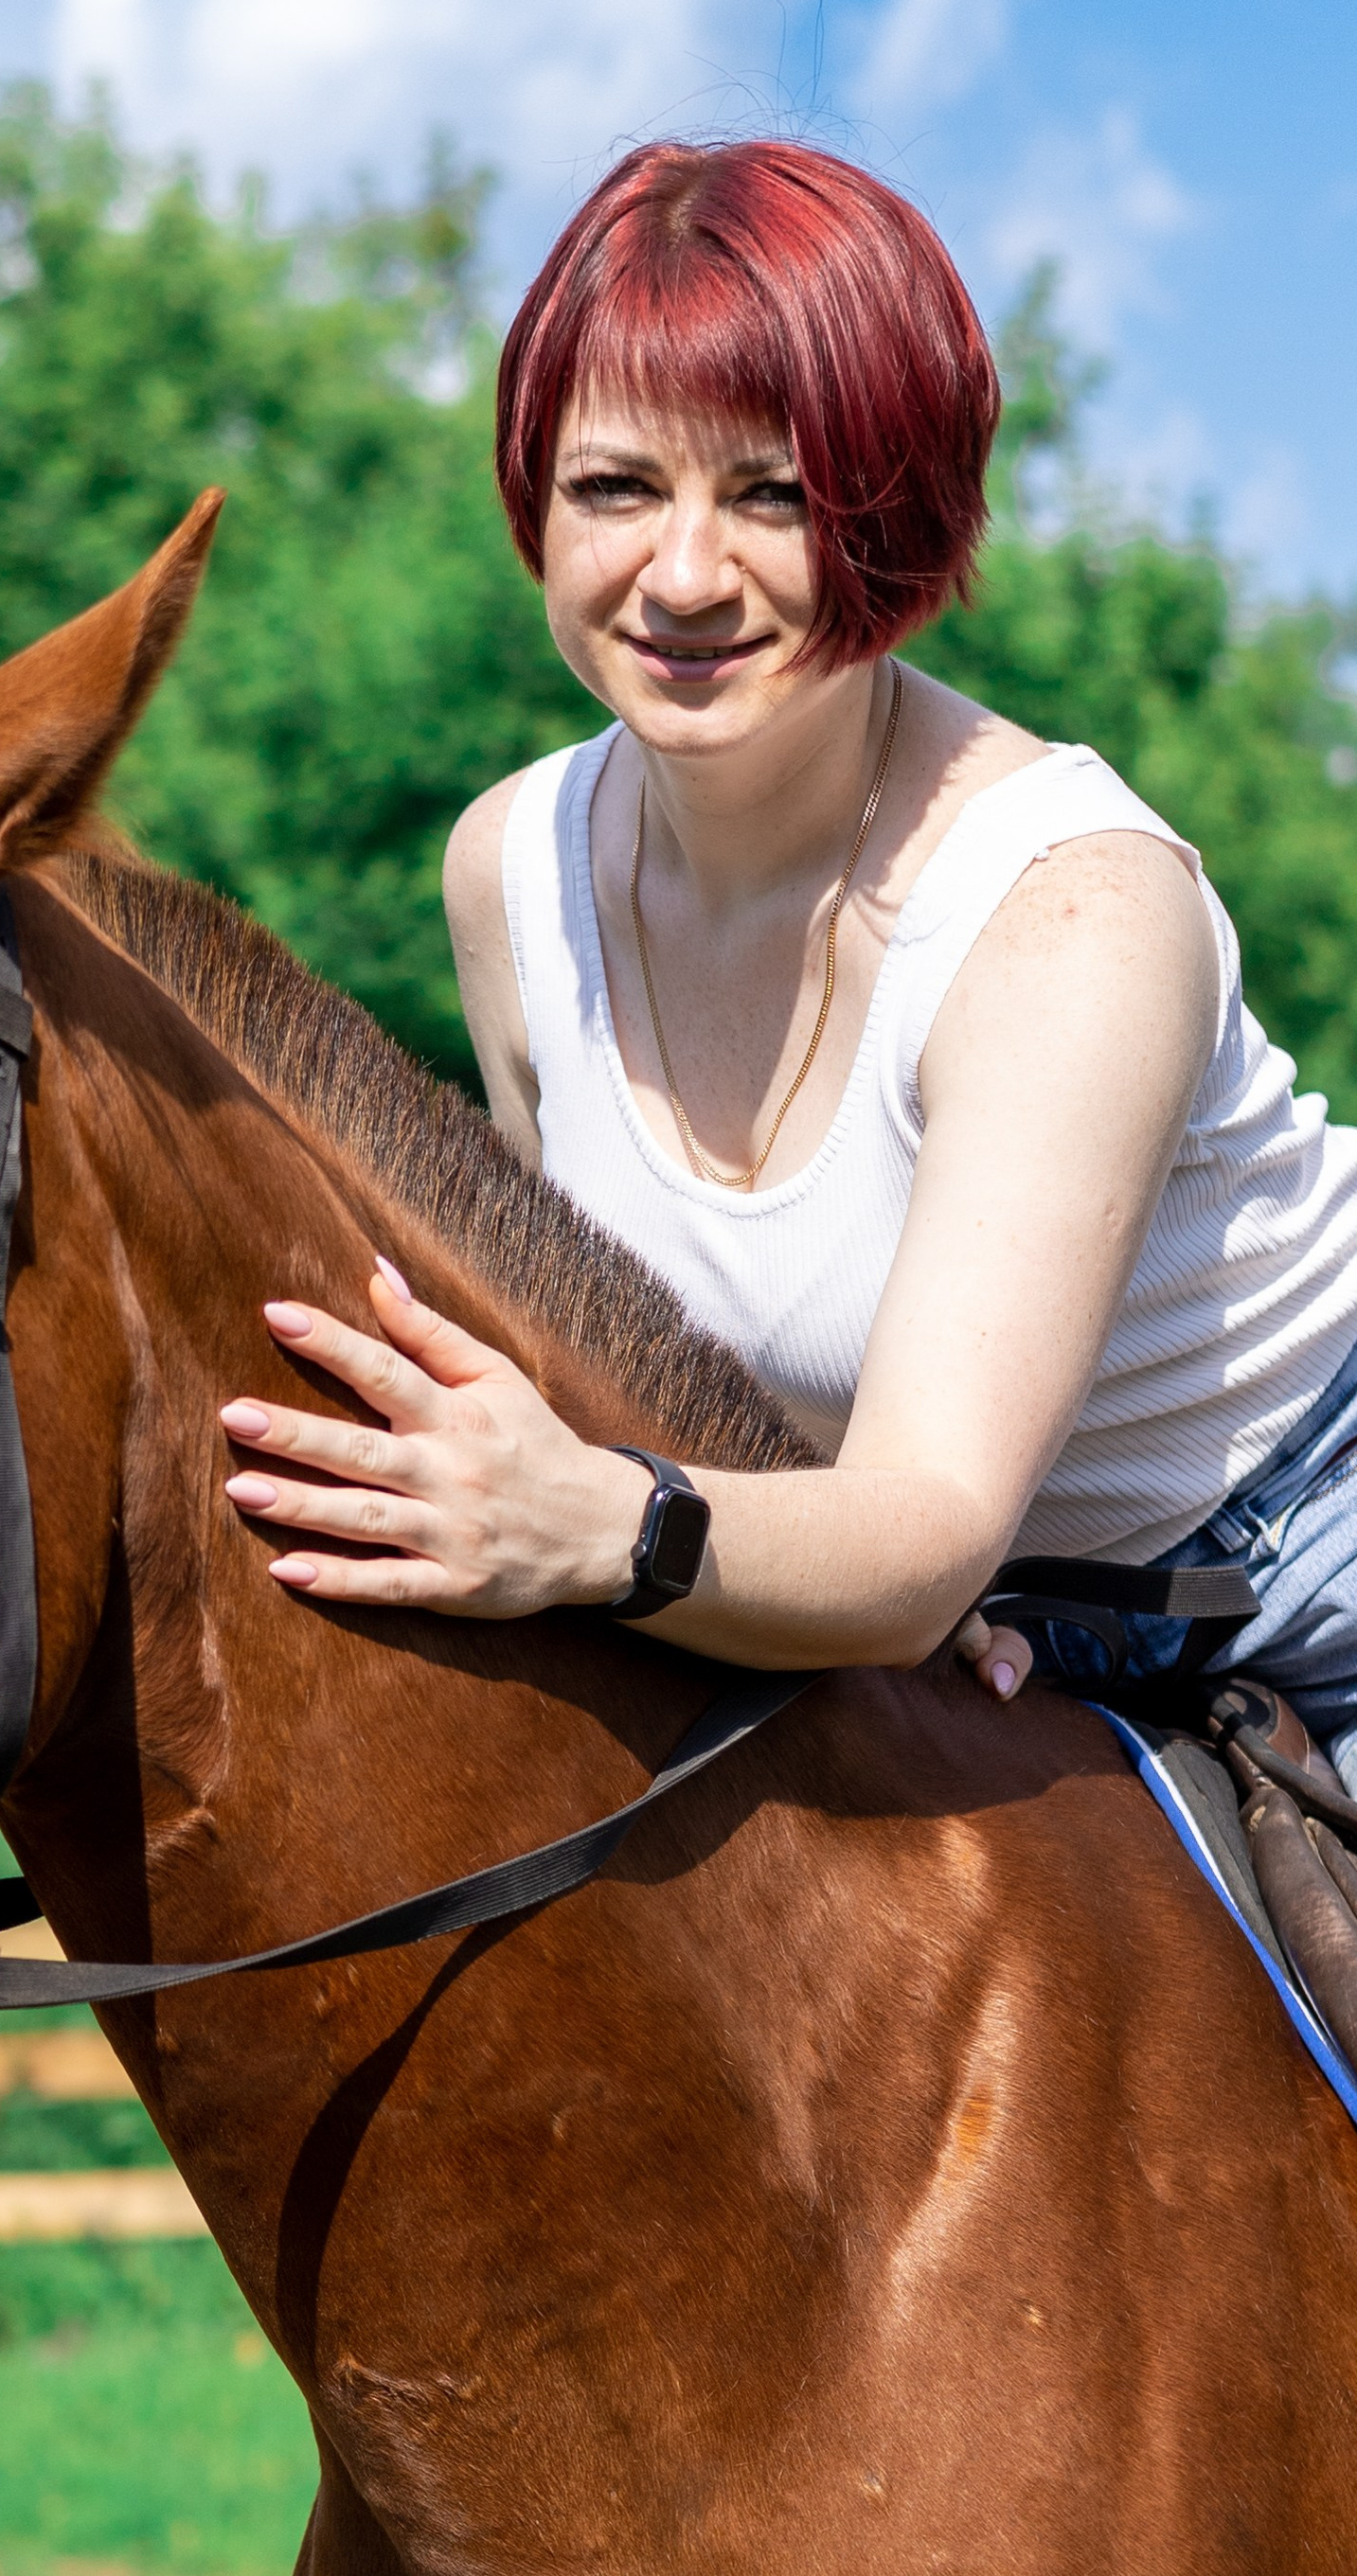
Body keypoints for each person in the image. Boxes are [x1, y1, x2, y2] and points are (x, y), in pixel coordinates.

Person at [217, 138, 1357, 1787]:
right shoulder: (509, 875)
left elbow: (912, 1522)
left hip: (1308, 1575)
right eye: (616, 488)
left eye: (774, 494)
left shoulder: (1072, 916)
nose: (684, 577)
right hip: (969, 1616)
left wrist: (626, 1525)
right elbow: (637, 1380)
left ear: (900, 509)